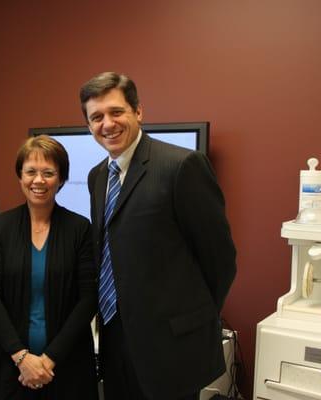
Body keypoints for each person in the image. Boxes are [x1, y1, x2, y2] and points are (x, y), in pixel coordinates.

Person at [80, 72, 237, 400]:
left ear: (138, 111)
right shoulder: (97, 177)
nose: (107, 124)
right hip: (113, 338)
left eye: (116, 112)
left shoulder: (182, 166)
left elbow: (219, 258)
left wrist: (194, 318)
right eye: (96, 117)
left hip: (170, 347)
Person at [0, 136, 98, 399]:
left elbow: (88, 299)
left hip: (66, 364)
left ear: (61, 178)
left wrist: (48, 359)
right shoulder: (2, 227)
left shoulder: (79, 229)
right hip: (11, 365)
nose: (38, 180)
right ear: (20, 176)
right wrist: (22, 358)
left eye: (48, 173)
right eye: (30, 171)